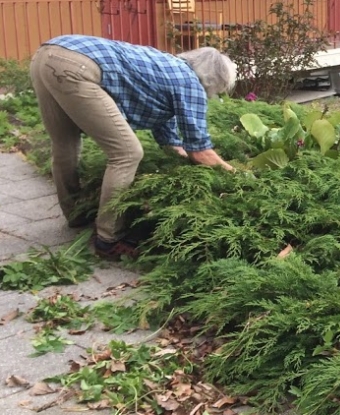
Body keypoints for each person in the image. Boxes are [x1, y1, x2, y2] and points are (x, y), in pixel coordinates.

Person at [30, 35, 237, 260]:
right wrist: (236, 174)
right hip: (78, 67)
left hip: (46, 55)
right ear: (215, 80)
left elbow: (170, 142)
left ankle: (75, 215)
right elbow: (200, 152)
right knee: (127, 154)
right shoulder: (190, 84)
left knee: (65, 145)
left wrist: (180, 159)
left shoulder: (167, 71)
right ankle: (109, 239)